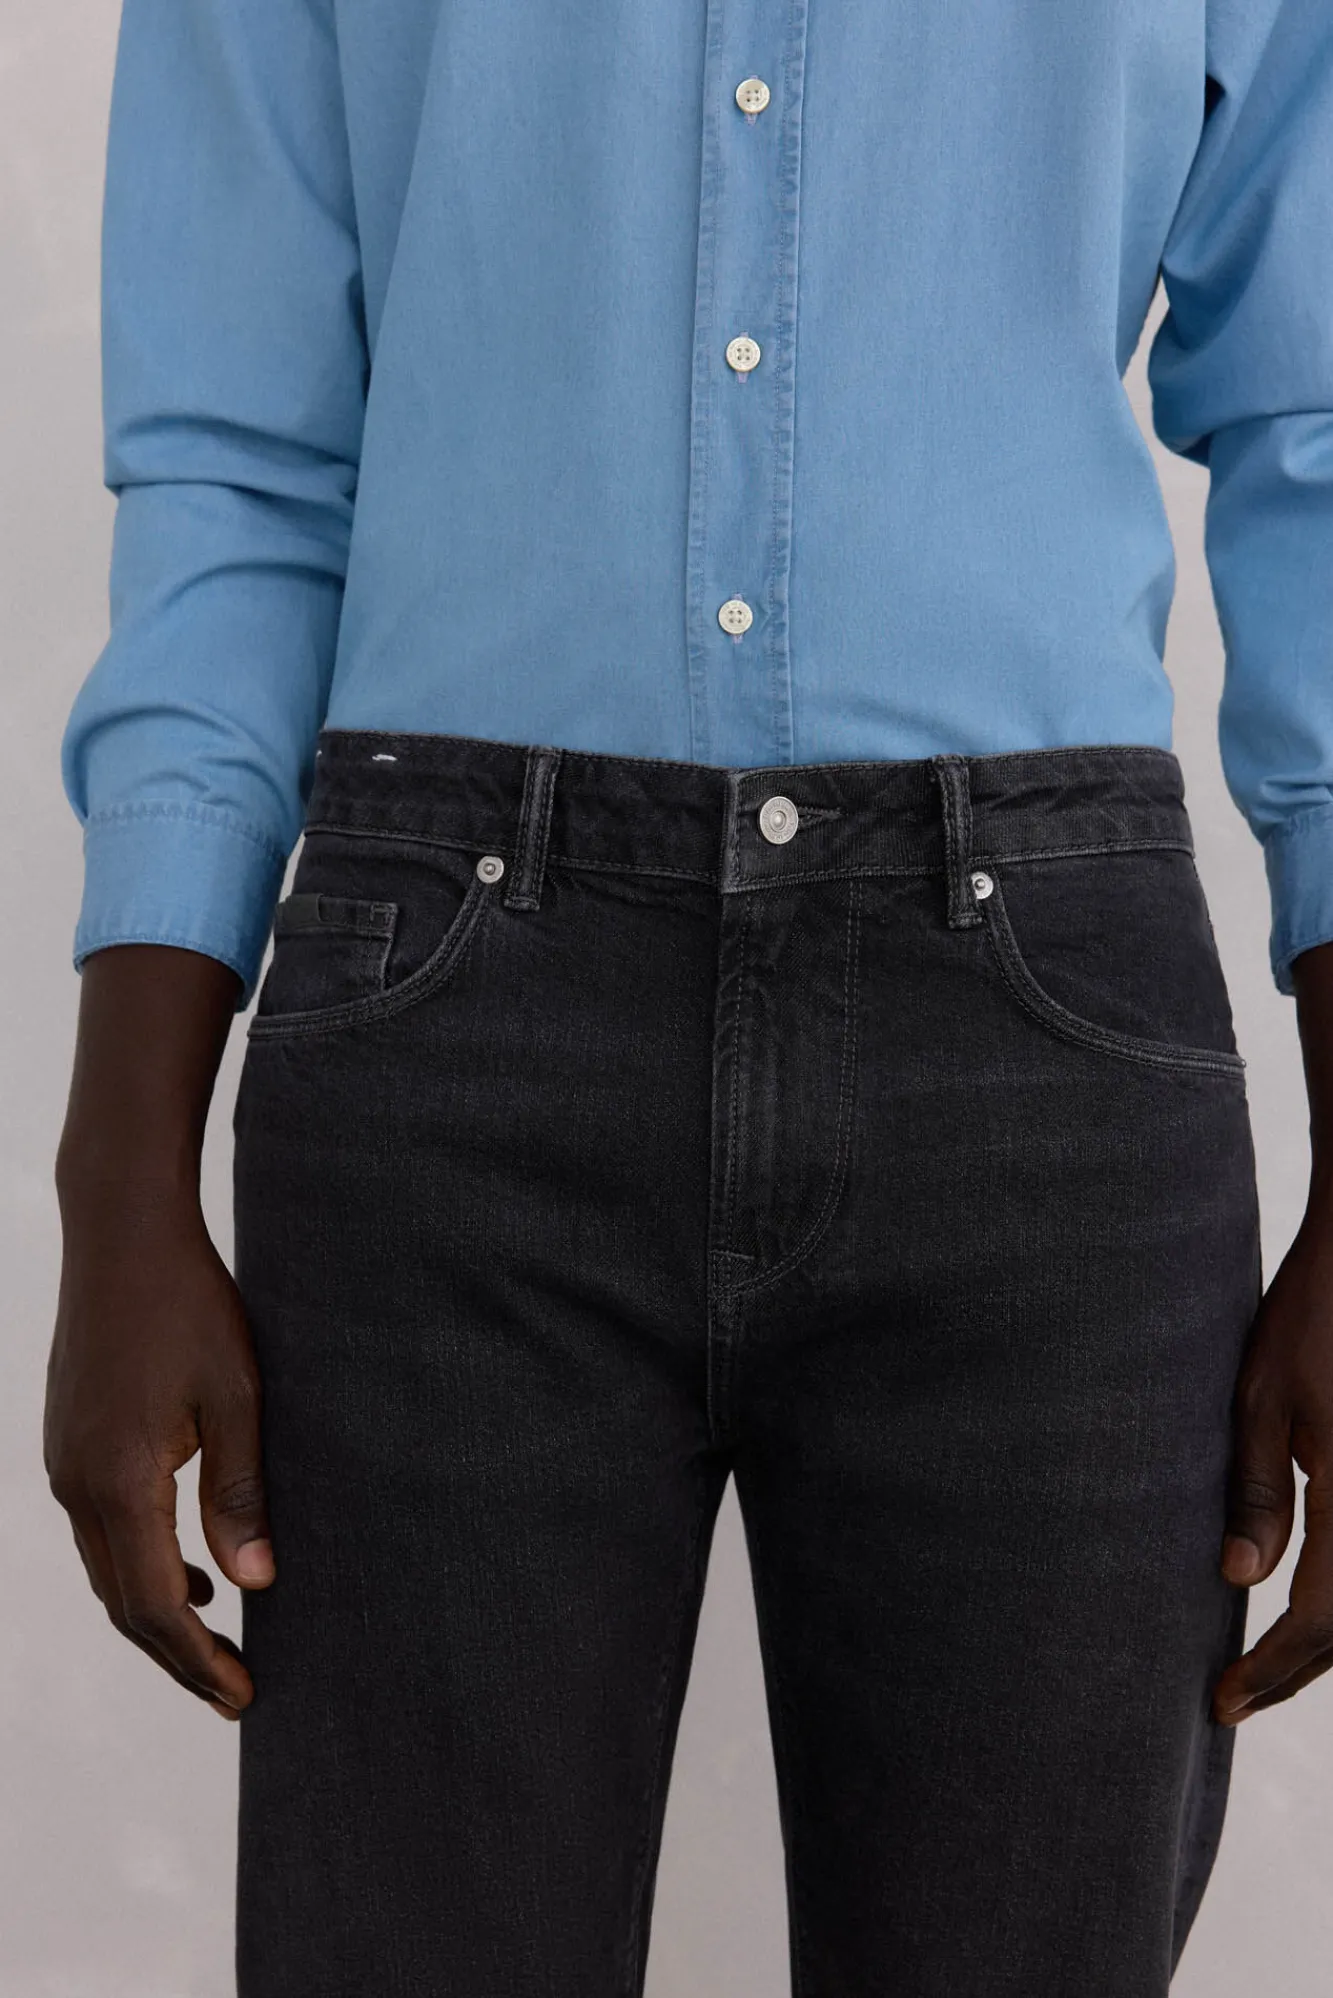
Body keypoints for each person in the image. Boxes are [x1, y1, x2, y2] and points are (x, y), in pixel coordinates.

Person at [43, 1, 1333, 1992]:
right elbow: (237, 466)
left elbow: (1316, 436)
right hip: (448, 1038)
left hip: (1042, 1055)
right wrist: (115, 1182)